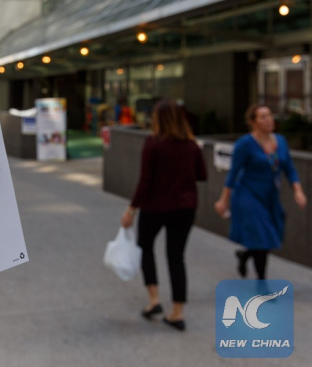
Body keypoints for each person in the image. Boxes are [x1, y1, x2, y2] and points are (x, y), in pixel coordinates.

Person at [121, 99, 207, 331]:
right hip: (185, 207)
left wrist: (131, 209)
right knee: (176, 257)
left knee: (145, 247)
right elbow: (202, 175)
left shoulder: (153, 143)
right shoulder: (191, 145)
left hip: (155, 207)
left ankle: (154, 300)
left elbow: (145, 180)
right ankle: (177, 312)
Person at [214, 104, 307, 279]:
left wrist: (298, 190)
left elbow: (289, 168)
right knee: (262, 237)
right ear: (252, 122)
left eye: (270, 115)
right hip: (248, 195)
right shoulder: (245, 144)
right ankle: (262, 283)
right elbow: (233, 173)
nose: (268, 119)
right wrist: (223, 200)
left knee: (268, 237)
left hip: (270, 195)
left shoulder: (280, 141)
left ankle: (245, 255)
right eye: (263, 116)